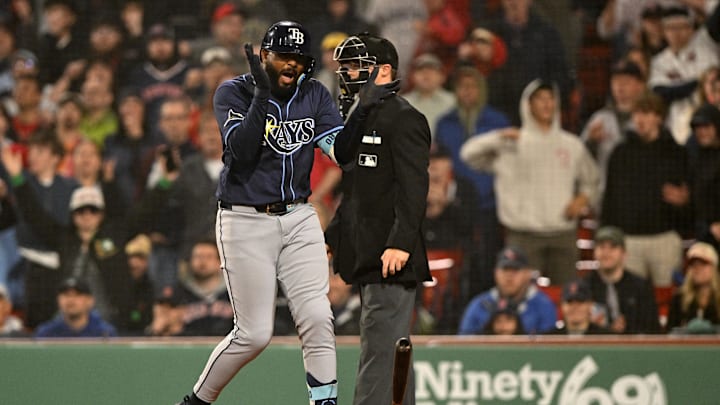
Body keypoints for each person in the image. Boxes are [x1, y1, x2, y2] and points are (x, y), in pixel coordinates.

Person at [176, 21, 396, 405]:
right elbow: (242, 152)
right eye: (283, 56)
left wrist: (363, 109)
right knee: (254, 335)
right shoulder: (233, 91)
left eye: (298, 58)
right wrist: (262, 94)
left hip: (298, 215)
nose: (291, 64)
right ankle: (196, 401)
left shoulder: (313, 94)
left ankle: (324, 402)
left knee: (317, 317)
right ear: (264, 57)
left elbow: (341, 155)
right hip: (243, 219)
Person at [325, 33, 429, 405]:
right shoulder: (364, 117)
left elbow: (414, 189)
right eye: (346, 67)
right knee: (391, 351)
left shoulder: (405, 119)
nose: (347, 73)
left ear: (383, 71)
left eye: (356, 66)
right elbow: (357, 190)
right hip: (369, 252)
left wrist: (401, 243)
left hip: (390, 256)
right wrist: (332, 235)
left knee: (380, 350)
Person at [460, 80, 600, 285]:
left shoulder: (571, 144)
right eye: (539, 99)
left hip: (563, 233)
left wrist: (582, 199)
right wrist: (499, 136)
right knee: (518, 298)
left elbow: (592, 180)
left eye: (550, 98)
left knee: (568, 297)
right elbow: (468, 154)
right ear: (528, 104)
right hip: (523, 235)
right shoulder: (510, 143)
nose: (546, 104)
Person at [601, 91, 692, 287]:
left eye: (646, 113)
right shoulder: (620, 153)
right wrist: (607, 238)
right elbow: (609, 199)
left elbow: (690, 199)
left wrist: (684, 203)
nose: (640, 119)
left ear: (659, 117)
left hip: (665, 238)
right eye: (637, 113)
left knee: (668, 298)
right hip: (630, 240)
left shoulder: (677, 153)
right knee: (632, 302)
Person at [458, 246, 557, 335]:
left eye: (515, 270)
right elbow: (464, 344)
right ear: (495, 273)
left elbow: (548, 348)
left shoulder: (543, 305)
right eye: (505, 270)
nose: (509, 276)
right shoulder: (479, 305)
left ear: (527, 274)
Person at [585, 226, 661, 334]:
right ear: (594, 252)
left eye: (613, 247)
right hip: (596, 347)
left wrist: (626, 329)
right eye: (601, 247)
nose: (606, 252)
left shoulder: (641, 287)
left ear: (624, 254)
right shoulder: (585, 287)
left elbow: (652, 329)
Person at [34, 277, 117, 338]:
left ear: (90, 301)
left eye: (77, 295)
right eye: (66, 295)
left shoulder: (104, 333)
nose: (71, 300)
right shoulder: (46, 333)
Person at [667, 241, 720, 332]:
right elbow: (670, 333)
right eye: (693, 265)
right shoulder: (679, 299)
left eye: (703, 264)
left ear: (714, 267)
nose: (697, 269)